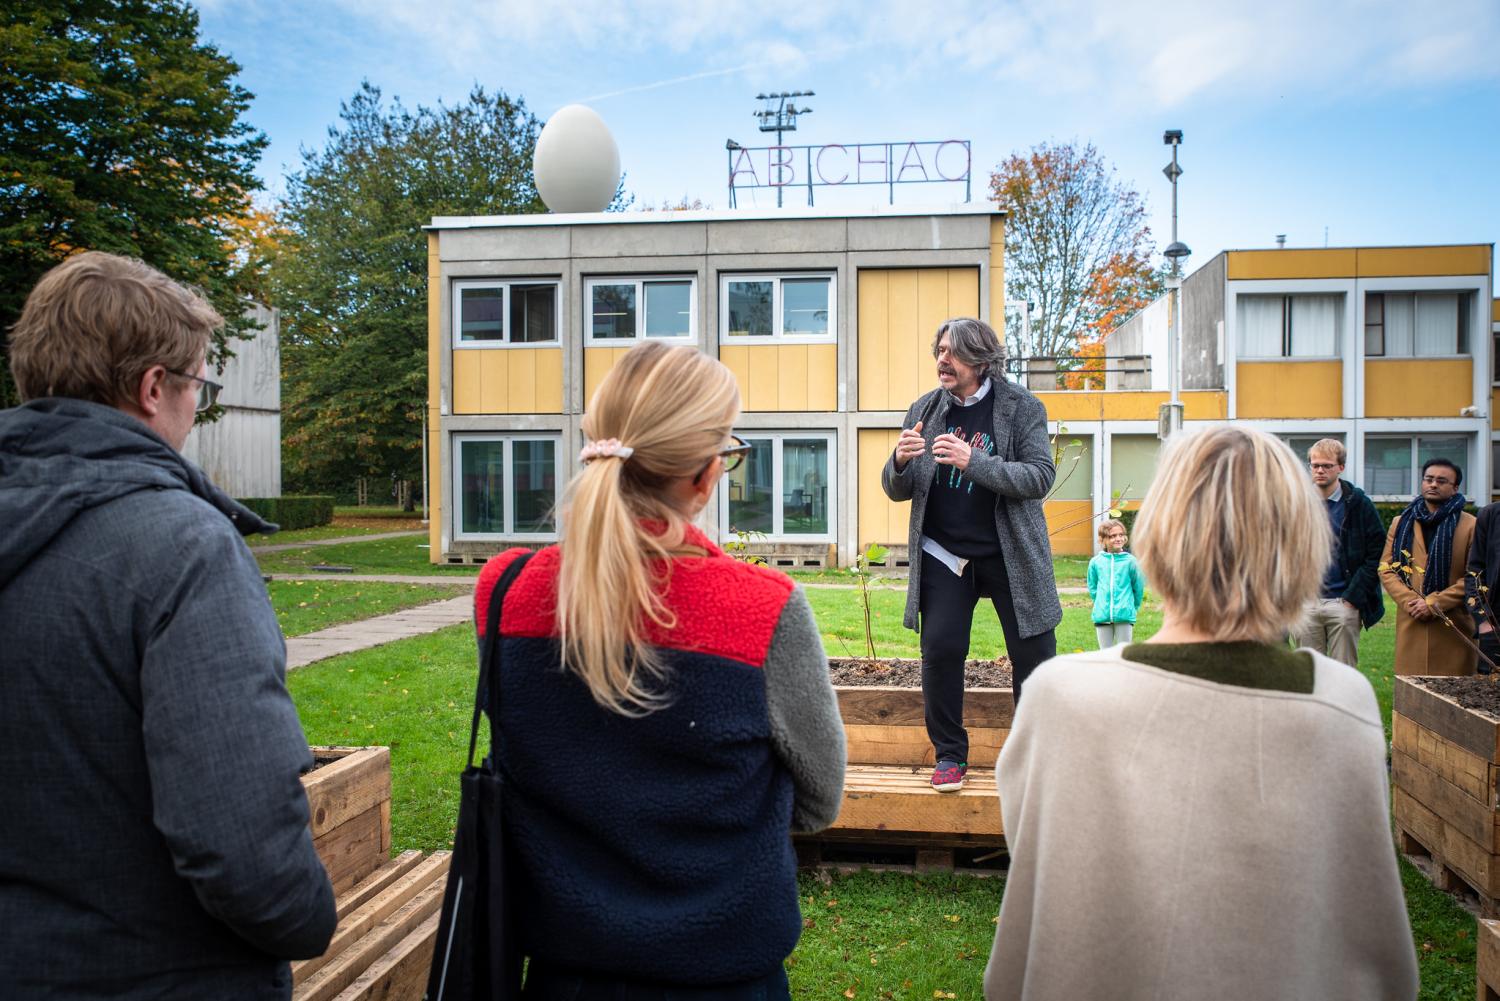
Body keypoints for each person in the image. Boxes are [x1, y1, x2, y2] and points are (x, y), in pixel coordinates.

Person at [0, 252, 336, 1000]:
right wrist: (310, 918)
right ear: (155, 388)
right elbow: (242, 843)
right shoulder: (182, 547)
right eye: (201, 388)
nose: (198, 409)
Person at [983, 426, 1417, 1001]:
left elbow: (1033, 857)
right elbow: (1374, 939)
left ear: (1159, 535)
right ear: (1304, 543)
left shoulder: (1062, 696)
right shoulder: (1343, 705)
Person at [473, 341, 846, 1000]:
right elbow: (820, 799)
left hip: (560, 976)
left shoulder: (503, 591)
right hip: (726, 977)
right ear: (705, 476)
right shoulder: (766, 610)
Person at [881, 317, 1060, 794]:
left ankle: (1031, 756)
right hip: (944, 553)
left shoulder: (1022, 407)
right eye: (939, 350)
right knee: (940, 650)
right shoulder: (925, 408)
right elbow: (897, 488)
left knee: (1036, 656)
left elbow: (1039, 477)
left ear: (982, 360)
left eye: (953, 352)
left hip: (1009, 552)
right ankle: (949, 756)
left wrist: (972, 461)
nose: (943, 360)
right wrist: (899, 461)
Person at [1290, 438, 1386, 666]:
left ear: (1341, 467)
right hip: (1306, 602)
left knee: (1344, 673)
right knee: (1309, 673)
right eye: (1315, 465)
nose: (1320, 470)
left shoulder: (1358, 504)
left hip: (1343, 603)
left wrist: (1352, 599)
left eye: (1327, 465)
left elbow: (1376, 553)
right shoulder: (1297, 503)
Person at [1380, 457, 1477, 676]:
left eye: (1441, 481)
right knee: (1411, 697)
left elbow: (1474, 576)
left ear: (1455, 488)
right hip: (1412, 620)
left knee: (1454, 698)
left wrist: (1434, 603)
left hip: (1452, 624)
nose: (1433, 484)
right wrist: (1410, 601)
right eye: (1429, 479)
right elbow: (1386, 568)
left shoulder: (1471, 525)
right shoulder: (1401, 522)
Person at [1087, 518, 1144, 648]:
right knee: (1105, 653)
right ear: (1102, 540)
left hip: (1124, 614)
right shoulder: (1096, 562)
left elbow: (1138, 587)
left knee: (1122, 653)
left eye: (1121, 535)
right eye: (1113, 536)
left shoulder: (1131, 562)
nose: (1118, 538)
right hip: (1102, 615)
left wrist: (1132, 607)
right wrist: (1099, 603)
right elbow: (1093, 586)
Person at [1466, 497, 1500, 671]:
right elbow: (1474, 572)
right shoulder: (1490, 515)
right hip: (1494, 625)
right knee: (1490, 691)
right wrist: (1483, 619)